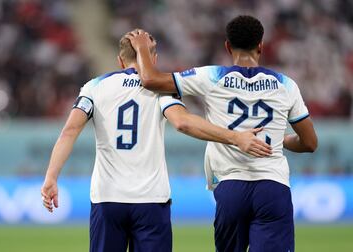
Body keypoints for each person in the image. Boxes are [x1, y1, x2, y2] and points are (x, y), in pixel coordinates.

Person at [41, 29, 272, 252]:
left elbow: (69, 131)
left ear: (120, 61)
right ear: (154, 58)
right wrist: (234, 137)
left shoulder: (94, 87)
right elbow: (183, 122)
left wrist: (51, 177)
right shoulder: (161, 89)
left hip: (107, 198)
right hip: (151, 199)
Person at [127, 15, 318, 252]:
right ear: (261, 45)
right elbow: (310, 143)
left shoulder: (211, 76)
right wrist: (283, 140)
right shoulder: (286, 84)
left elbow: (150, 80)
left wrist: (143, 49)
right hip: (273, 186)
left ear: (227, 46)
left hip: (231, 187)